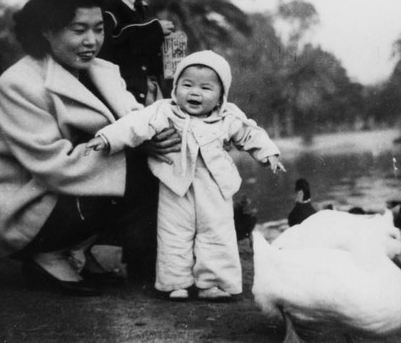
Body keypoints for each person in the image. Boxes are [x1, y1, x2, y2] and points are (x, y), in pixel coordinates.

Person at [0, 0, 177, 296]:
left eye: (98, 29)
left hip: (61, 192)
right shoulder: (19, 84)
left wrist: (157, 133)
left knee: (158, 157)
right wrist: (137, 146)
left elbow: (137, 117)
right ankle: (47, 253)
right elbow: (54, 165)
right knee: (139, 166)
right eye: (78, 30)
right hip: (21, 205)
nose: (91, 41)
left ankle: (76, 250)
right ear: (47, 31)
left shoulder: (101, 71)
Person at [87, 50, 286, 300]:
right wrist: (107, 138)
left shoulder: (228, 116)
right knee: (173, 235)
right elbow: (134, 124)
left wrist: (269, 154)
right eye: (187, 84)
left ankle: (213, 283)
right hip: (175, 185)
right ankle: (175, 283)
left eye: (205, 88)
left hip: (215, 188)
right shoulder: (165, 111)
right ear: (176, 87)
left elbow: (249, 134)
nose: (194, 92)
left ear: (221, 96)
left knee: (217, 234)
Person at [98, 0, 177, 280]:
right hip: (117, 107)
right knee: (133, 184)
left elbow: (146, 54)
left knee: (149, 182)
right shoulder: (106, 7)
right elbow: (111, 45)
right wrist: (154, 30)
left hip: (144, 103)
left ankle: (143, 258)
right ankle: (139, 259)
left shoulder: (140, 12)